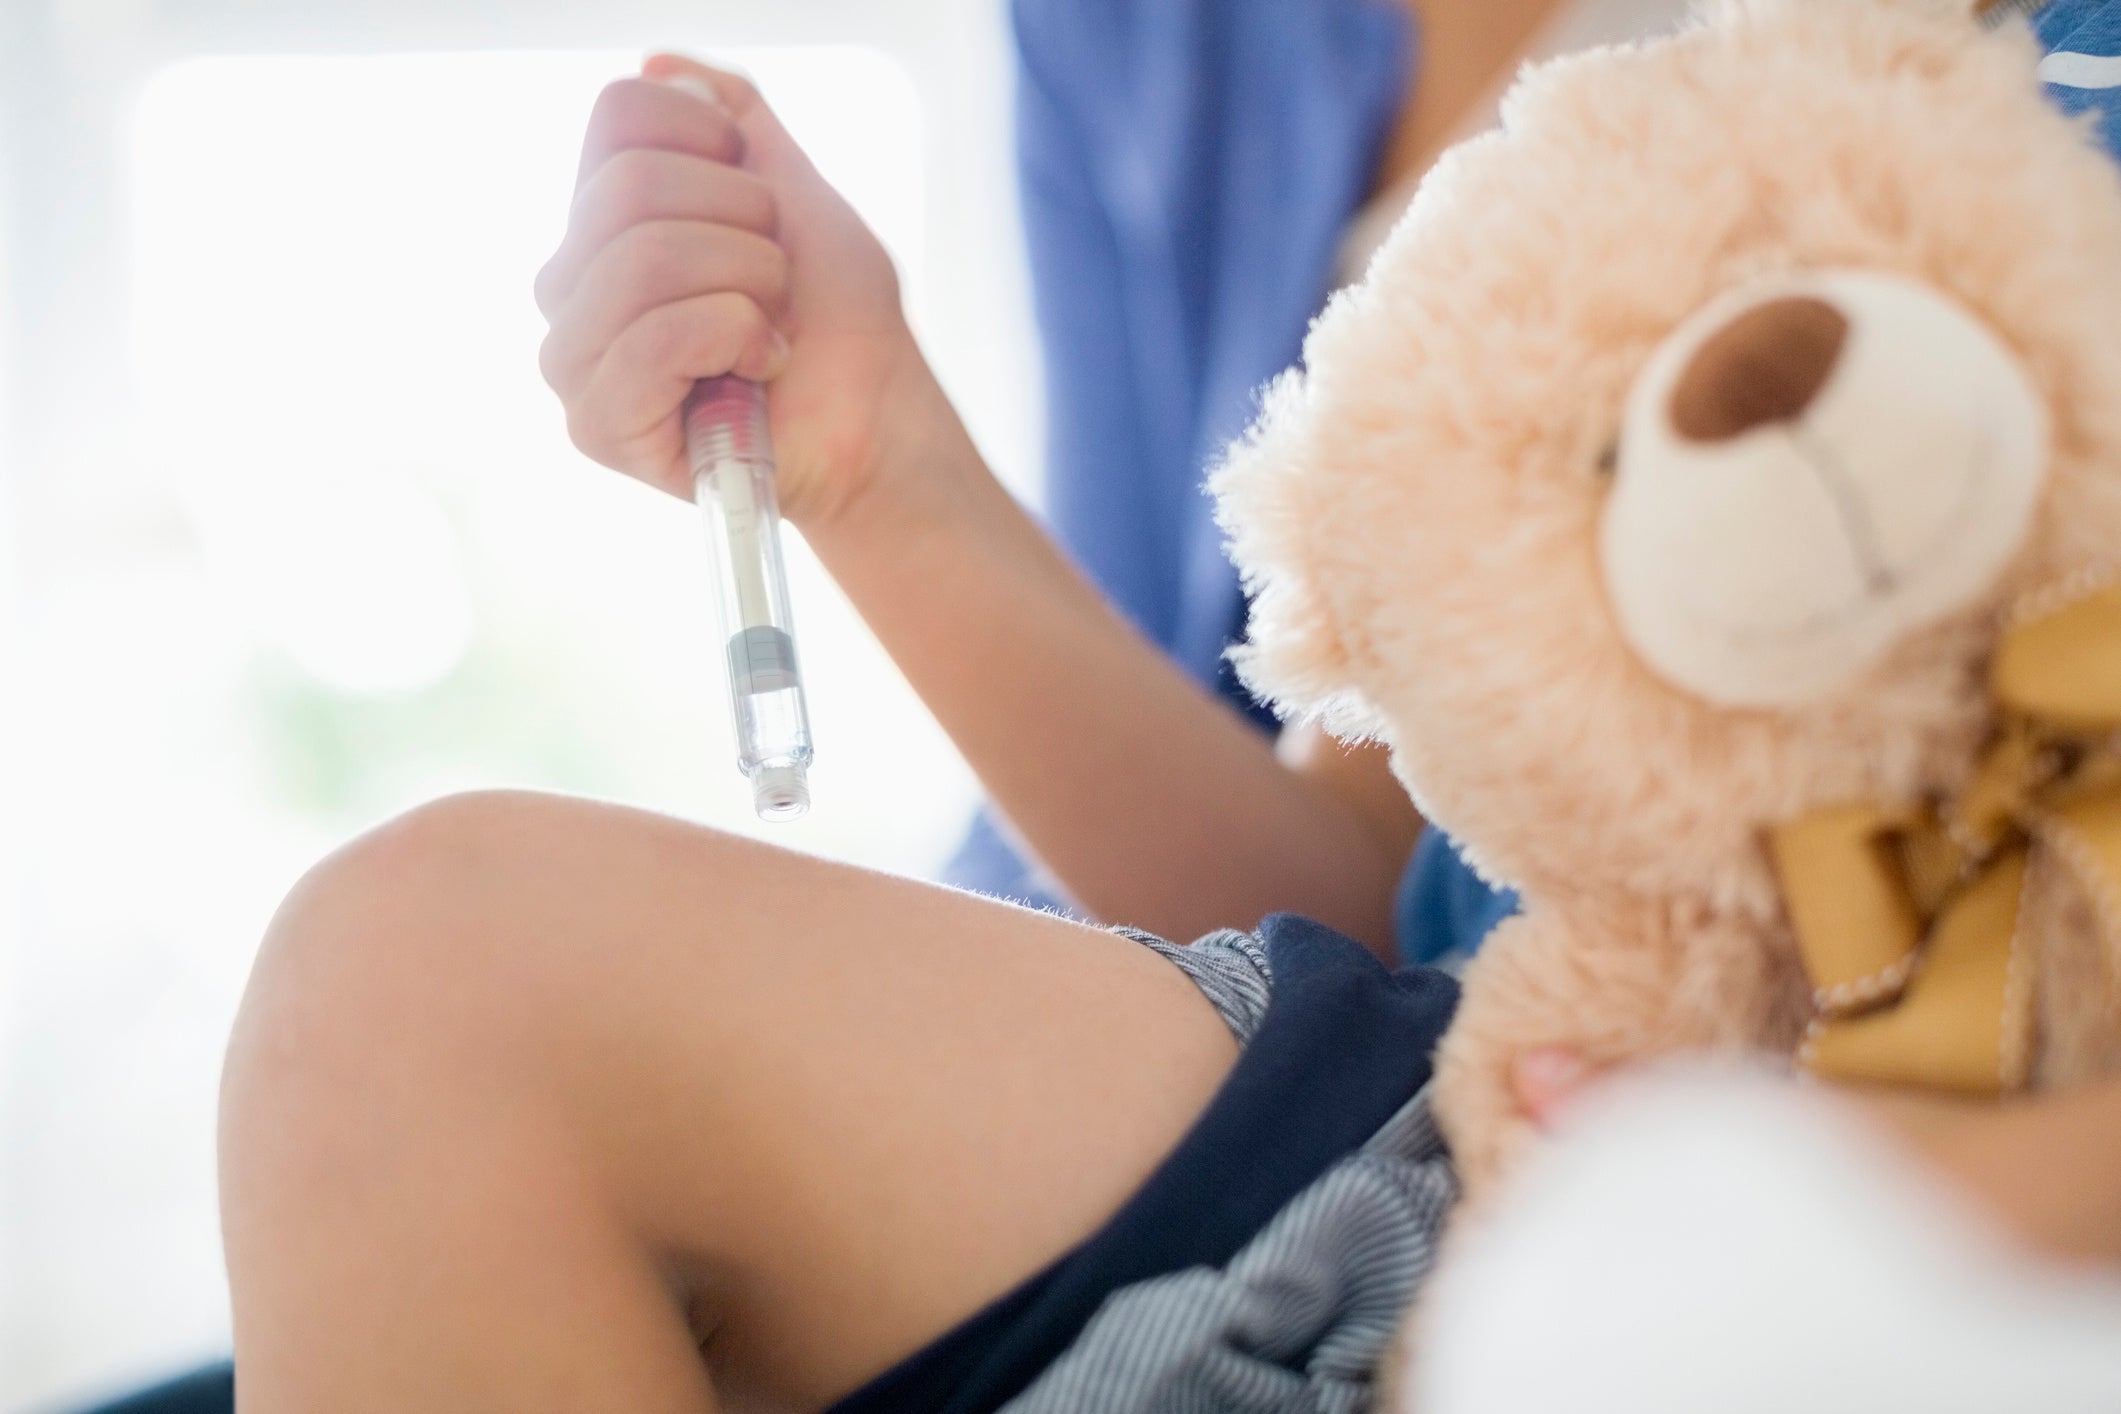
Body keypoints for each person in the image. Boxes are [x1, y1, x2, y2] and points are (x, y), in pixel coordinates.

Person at [69, 0, 2121, 1410]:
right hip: (1484, 1092)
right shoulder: (1617, 111)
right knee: (423, 969)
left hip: (1893, 1149)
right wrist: (877, 463)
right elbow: (1353, 879)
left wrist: (1842, 1230)